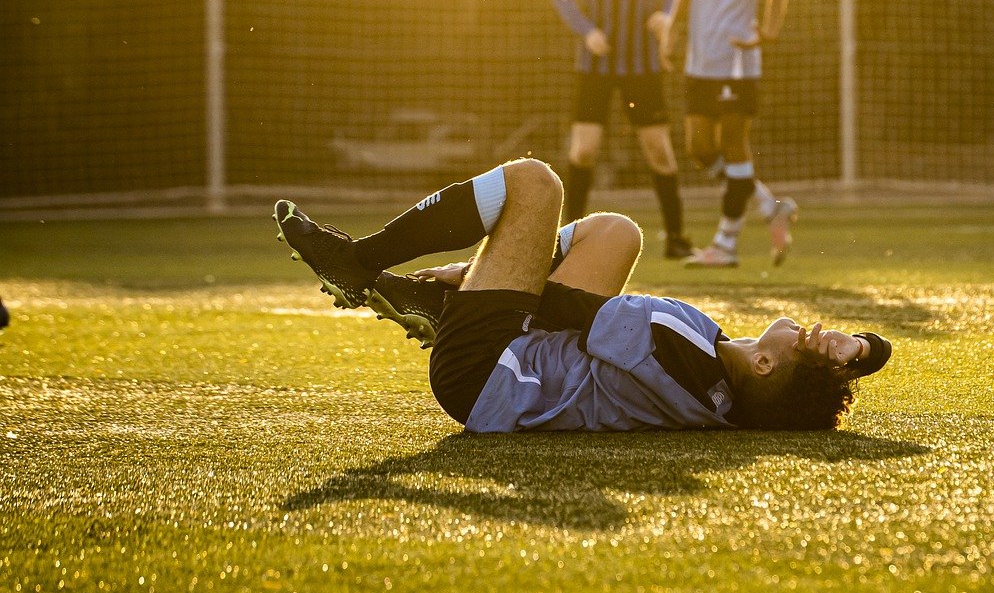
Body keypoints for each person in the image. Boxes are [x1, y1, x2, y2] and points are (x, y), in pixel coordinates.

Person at [272, 158, 891, 433]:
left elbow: (561, 305)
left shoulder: (685, 352)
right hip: (520, 364)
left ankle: (361, 262)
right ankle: (438, 304)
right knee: (618, 232)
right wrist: (858, 349)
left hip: (483, 371)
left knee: (535, 185)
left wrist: (473, 277)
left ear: (765, 363)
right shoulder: (718, 383)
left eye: (807, 345)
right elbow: (875, 350)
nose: (813, 331)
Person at [661, 0, 798, 268]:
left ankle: (726, 245)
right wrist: (669, 27)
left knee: (734, 144)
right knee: (700, 148)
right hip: (700, 58)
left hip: (738, 58)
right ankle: (768, 204)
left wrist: (768, 33)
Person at [551, 0, 692, 260]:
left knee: (659, 150)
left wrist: (666, 15)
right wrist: (587, 31)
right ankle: (566, 244)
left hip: (643, 65)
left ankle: (677, 238)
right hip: (595, 66)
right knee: (583, 151)